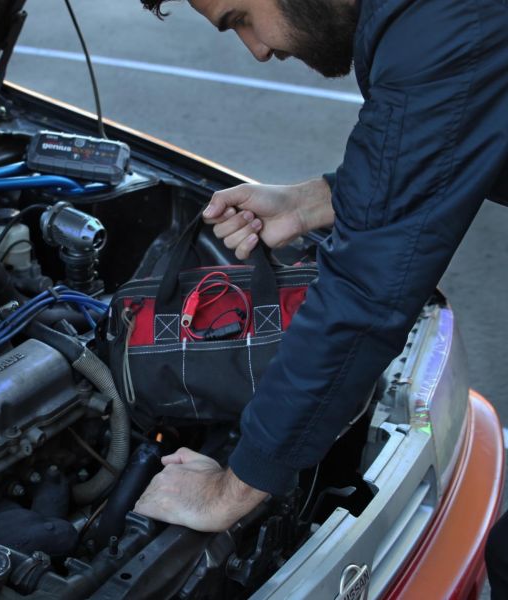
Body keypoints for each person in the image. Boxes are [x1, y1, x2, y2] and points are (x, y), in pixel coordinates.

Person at [132, 0, 508, 593]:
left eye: (240, 18)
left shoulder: (439, 20)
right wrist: (314, 201)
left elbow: (365, 294)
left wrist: (233, 488)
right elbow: (437, 137)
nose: (257, 49)